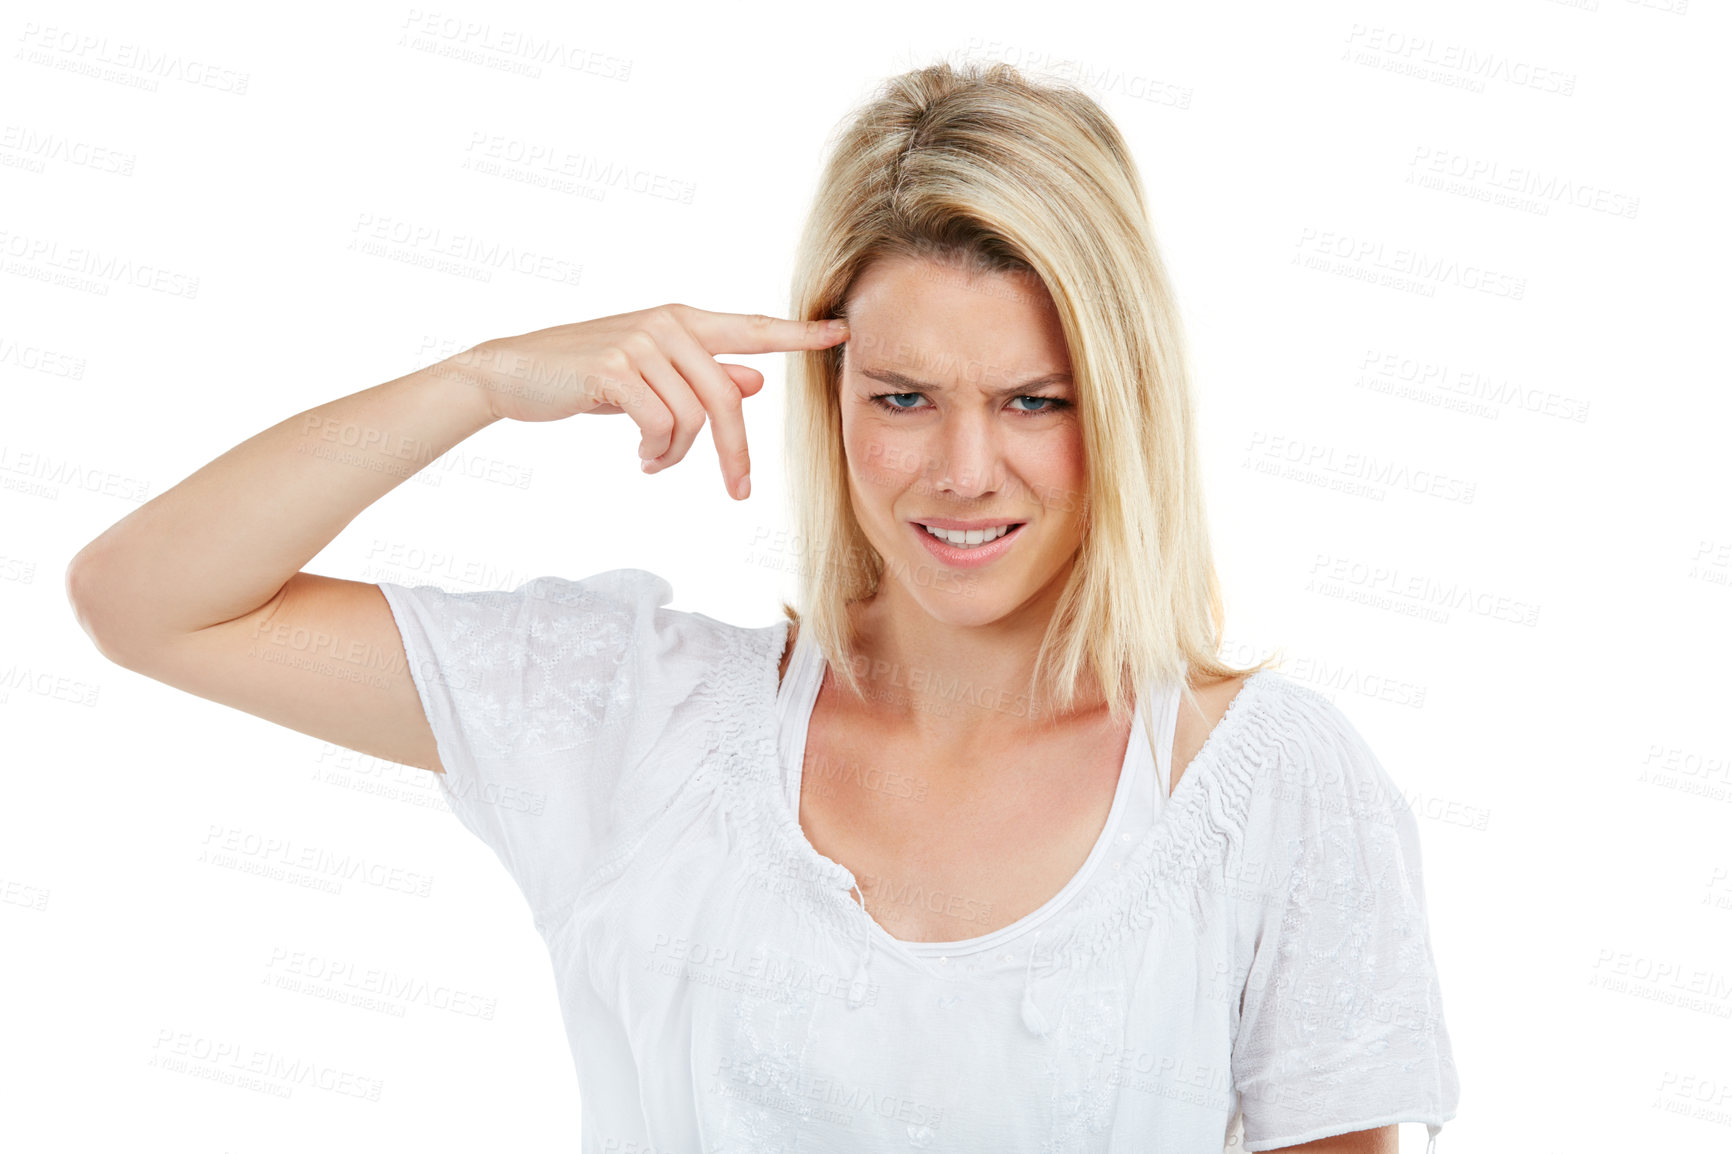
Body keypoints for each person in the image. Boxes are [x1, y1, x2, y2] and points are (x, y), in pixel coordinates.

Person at [67, 60, 1458, 1153]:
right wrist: (484, 379)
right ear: (825, 395)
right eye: (902, 396)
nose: (964, 472)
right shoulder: (636, 721)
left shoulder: (1268, 790)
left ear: (1127, 406)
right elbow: (146, 600)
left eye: (1035, 401)